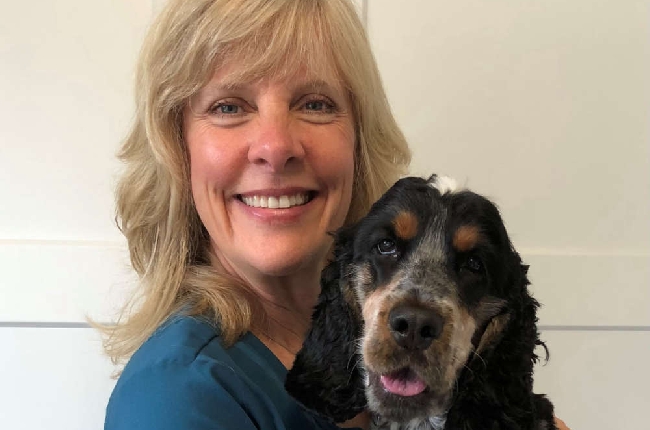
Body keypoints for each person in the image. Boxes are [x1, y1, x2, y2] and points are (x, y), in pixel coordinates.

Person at [100, 1, 570, 429]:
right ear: (176, 148)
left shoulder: (356, 337)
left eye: (315, 104)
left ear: (358, 142)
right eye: (228, 106)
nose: (275, 147)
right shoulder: (175, 400)